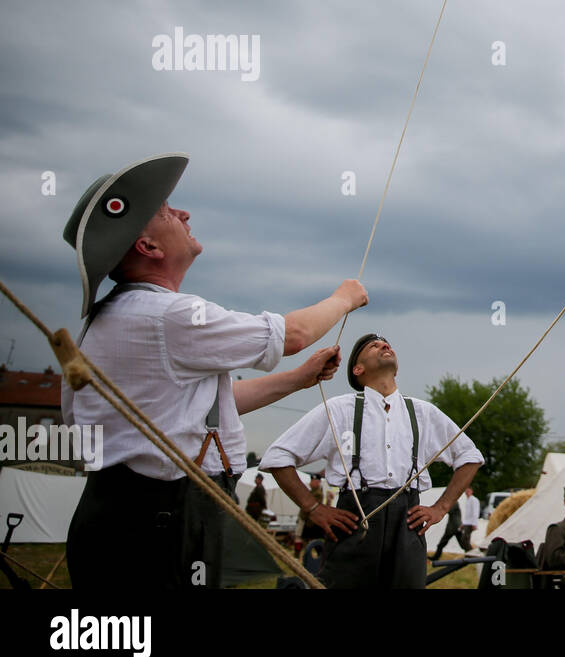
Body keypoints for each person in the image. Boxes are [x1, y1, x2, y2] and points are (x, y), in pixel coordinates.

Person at [61, 153, 369, 590]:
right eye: (166, 211)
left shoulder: (116, 317)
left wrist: (298, 379)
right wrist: (345, 297)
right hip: (160, 523)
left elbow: (206, 406)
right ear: (147, 247)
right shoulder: (170, 315)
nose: (184, 213)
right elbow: (294, 333)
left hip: (128, 515)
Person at [261, 333, 483, 589]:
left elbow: (469, 457)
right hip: (354, 524)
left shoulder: (422, 412)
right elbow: (278, 456)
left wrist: (441, 508)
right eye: (373, 346)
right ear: (358, 369)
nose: (384, 345)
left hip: (407, 526)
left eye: (386, 344)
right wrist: (313, 508)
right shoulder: (339, 409)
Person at [298, 474, 326, 544]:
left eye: (313, 481)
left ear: (318, 482)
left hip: (310, 520)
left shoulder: (317, 493)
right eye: (311, 481)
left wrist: (303, 517)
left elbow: (310, 506)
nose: (311, 483)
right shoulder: (313, 491)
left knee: (306, 539)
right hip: (308, 519)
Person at [457, 485, 480, 552]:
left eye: (468, 490)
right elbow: (467, 514)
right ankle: (468, 553)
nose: (467, 492)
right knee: (465, 539)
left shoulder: (474, 500)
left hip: (471, 523)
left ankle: (471, 553)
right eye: (466, 491)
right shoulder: (467, 500)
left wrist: (474, 524)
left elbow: (475, 512)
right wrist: (463, 523)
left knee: (465, 539)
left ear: (471, 491)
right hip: (467, 522)